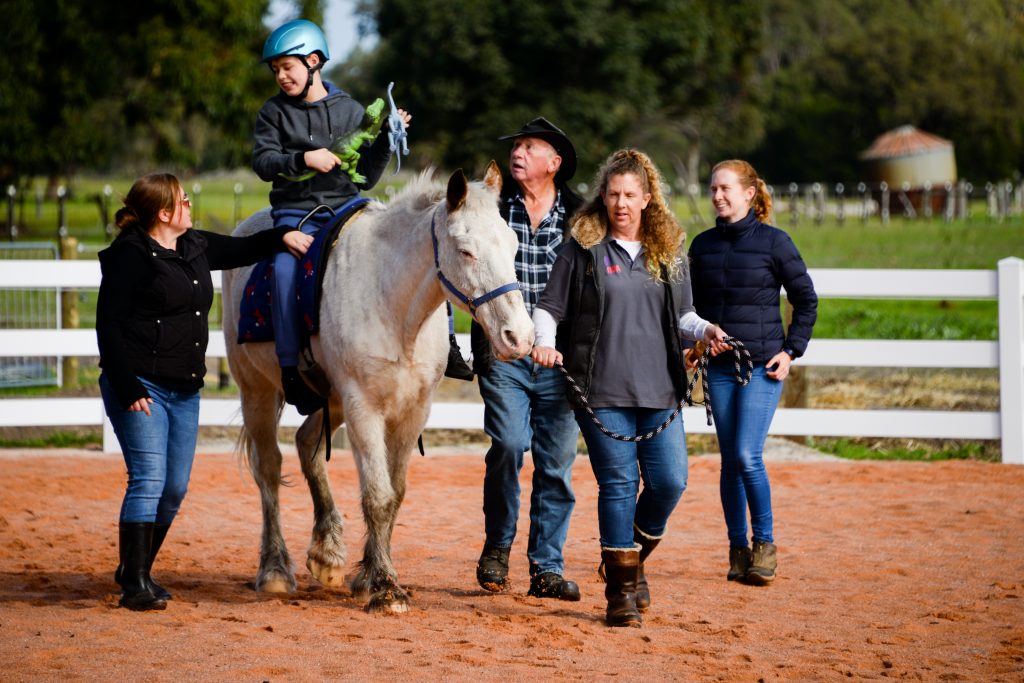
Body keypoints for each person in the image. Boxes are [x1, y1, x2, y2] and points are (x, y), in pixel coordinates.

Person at [96, 173, 312, 611]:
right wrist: (127, 385)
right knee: (149, 480)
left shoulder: (193, 244)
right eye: (184, 200)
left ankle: (135, 567)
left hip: (184, 389)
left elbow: (243, 248)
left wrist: (284, 235)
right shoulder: (130, 256)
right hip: (142, 386)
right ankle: (135, 583)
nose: (190, 204)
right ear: (164, 213)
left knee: (174, 488)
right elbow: (109, 325)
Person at [532, 149, 729, 627]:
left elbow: (683, 314)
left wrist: (705, 331)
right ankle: (620, 593)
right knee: (618, 485)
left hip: (661, 389)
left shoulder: (668, 250)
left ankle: (630, 559)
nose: (621, 203)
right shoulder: (582, 247)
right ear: (603, 195)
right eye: (613, 194)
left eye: (630, 195)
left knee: (670, 482)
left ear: (646, 198)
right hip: (599, 389)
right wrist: (544, 342)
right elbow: (549, 308)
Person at [252, 18, 422, 414]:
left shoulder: (349, 109)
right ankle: (290, 367)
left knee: (415, 249)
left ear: (313, 62)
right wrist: (302, 158)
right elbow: (263, 162)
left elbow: (367, 178)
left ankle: (446, 344)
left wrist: (384, 138)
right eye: (275, 69)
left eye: (287, 67)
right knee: (282, 268)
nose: (281, 76)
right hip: (295, 213)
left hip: (348, 209)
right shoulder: (272, 113)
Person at [469, 117, 584, 602]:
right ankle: (498, 546)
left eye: (529, 146)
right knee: (510, 445)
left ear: (554, 163)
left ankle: (546, 568)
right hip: (504, 354)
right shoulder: (492, 208)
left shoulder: (582, 218)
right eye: (515, 146)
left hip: (561, 362)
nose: (517, 152)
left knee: (556, 465)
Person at [688, 159, 817, 586]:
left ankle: (765, 544)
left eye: (726, 188)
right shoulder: (702, 247)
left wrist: (791, 351)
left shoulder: (776, 243)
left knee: (747, 455)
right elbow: (690, 310)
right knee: (729, 462)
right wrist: (696, 344)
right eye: (713, 189)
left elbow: (806, 299)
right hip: (720, 367)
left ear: (748, 193)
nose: (718, 196)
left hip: (762, 366)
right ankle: (737, 548)